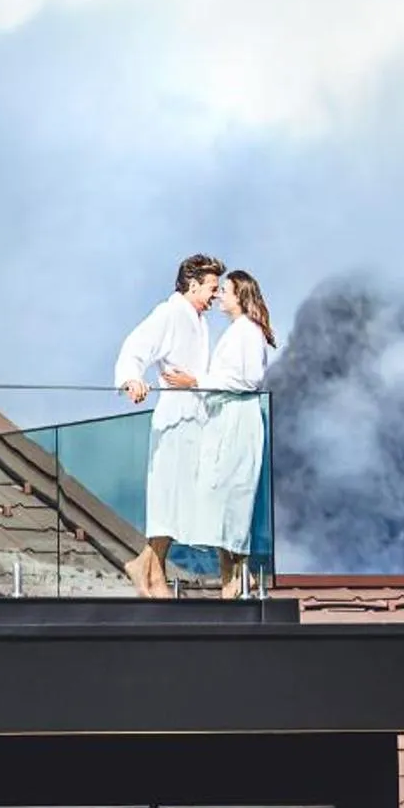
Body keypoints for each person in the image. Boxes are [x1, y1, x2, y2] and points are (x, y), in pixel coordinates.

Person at [113, 253, 223, 598]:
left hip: (193, 417)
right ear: (193, 285)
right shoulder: (170, 313)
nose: (216, 295)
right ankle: (154, 574)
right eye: (212, 288)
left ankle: (145, 565)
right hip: (176, 417)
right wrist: (133, 380)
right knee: (168, 497)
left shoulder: (197, 320)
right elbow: (136, 346)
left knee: (180, 500)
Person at [165, 270, 277, 599]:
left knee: (232, 495)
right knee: (219, 494)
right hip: (224, 418)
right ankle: (231, 574)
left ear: (240, 296)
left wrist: (196, 382)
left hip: (238, 420)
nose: (218, 297)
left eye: (224, 291)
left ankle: (237, 576)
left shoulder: (248, 332)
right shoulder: (236, 332)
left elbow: (250, 380)